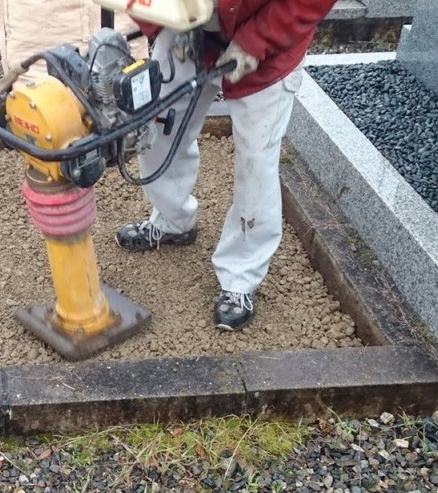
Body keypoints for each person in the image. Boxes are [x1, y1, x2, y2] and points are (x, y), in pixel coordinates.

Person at [117, 0, 336, 331]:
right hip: (181, 24)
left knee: (255, 162)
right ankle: (172, 220)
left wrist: (256, 40)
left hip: (267, 32)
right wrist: (162, 24)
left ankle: (240, 276)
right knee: (159, 130)